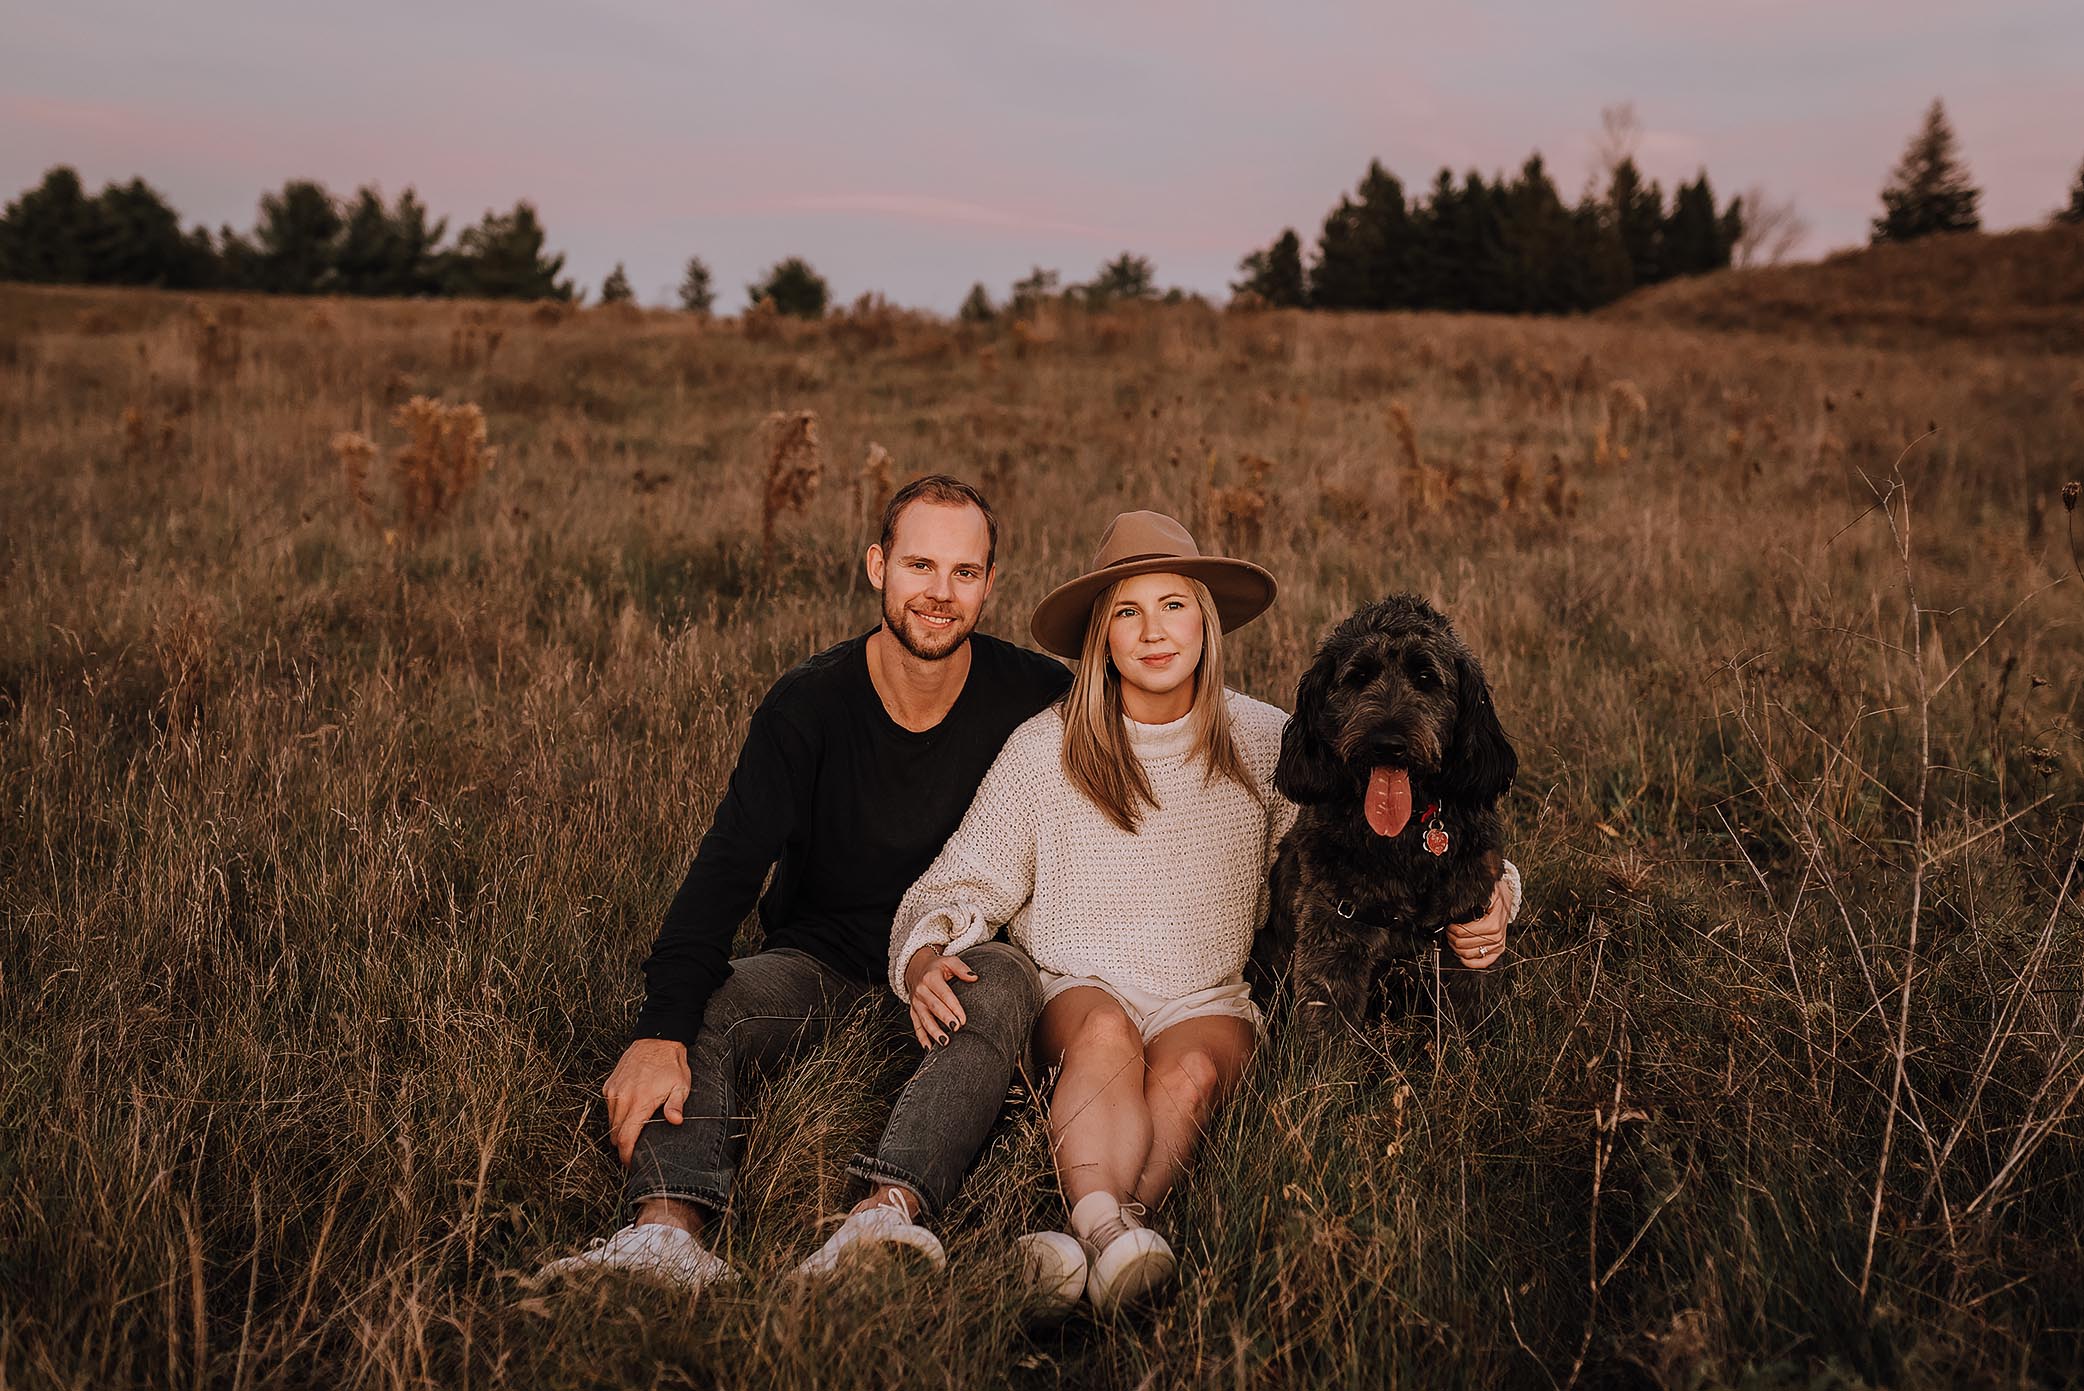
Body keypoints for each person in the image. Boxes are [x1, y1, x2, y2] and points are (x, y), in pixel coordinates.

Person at [888, 511, 1519, 1316]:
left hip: (1209, 999)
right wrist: (923, 952)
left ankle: (1096, 1245)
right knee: (1107, 1035)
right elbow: (957, 883)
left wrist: (1500, 891)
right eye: (1127, 612)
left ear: (1207, 621)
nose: (1154, 631)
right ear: (1100, 638)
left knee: (1188, 1075)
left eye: (1175, 605)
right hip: (1083, 991)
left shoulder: (1260, 739)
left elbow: (1373, 842)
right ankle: (1103, 1226)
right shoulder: (1047, 749)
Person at [537, 475, 1070, 1290]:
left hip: (949, 973)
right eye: (920, 565)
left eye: (965, 573)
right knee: (706, 1003)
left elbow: (1143, 722)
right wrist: (658, 1029)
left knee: (1006, 981)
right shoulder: (808, 705)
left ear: (990, 584)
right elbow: (723, 872)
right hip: (819, 966)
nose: (940, 593)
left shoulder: (1034, 696)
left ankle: (880, 1218)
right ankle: (666, 1234)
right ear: (877, 567)